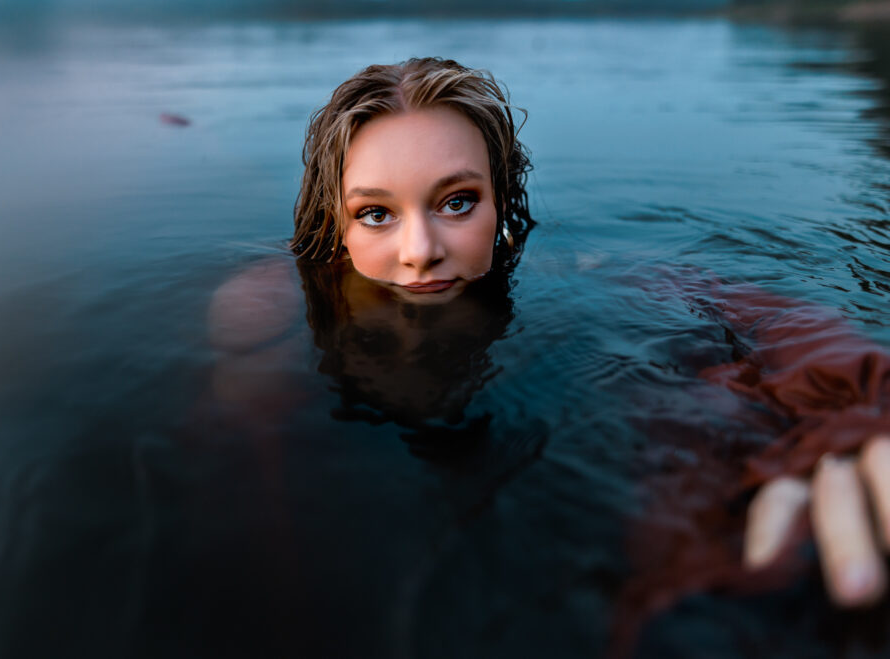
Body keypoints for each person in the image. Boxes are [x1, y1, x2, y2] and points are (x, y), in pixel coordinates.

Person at [209, 57, 890, 641]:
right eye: (376, 213)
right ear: (336, 220)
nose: (420, 251)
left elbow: (758, 318)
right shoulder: (267, 304)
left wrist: (854, 412)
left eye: (456, 202)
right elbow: (256, 500)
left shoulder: (572, 271)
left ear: (501, 199)